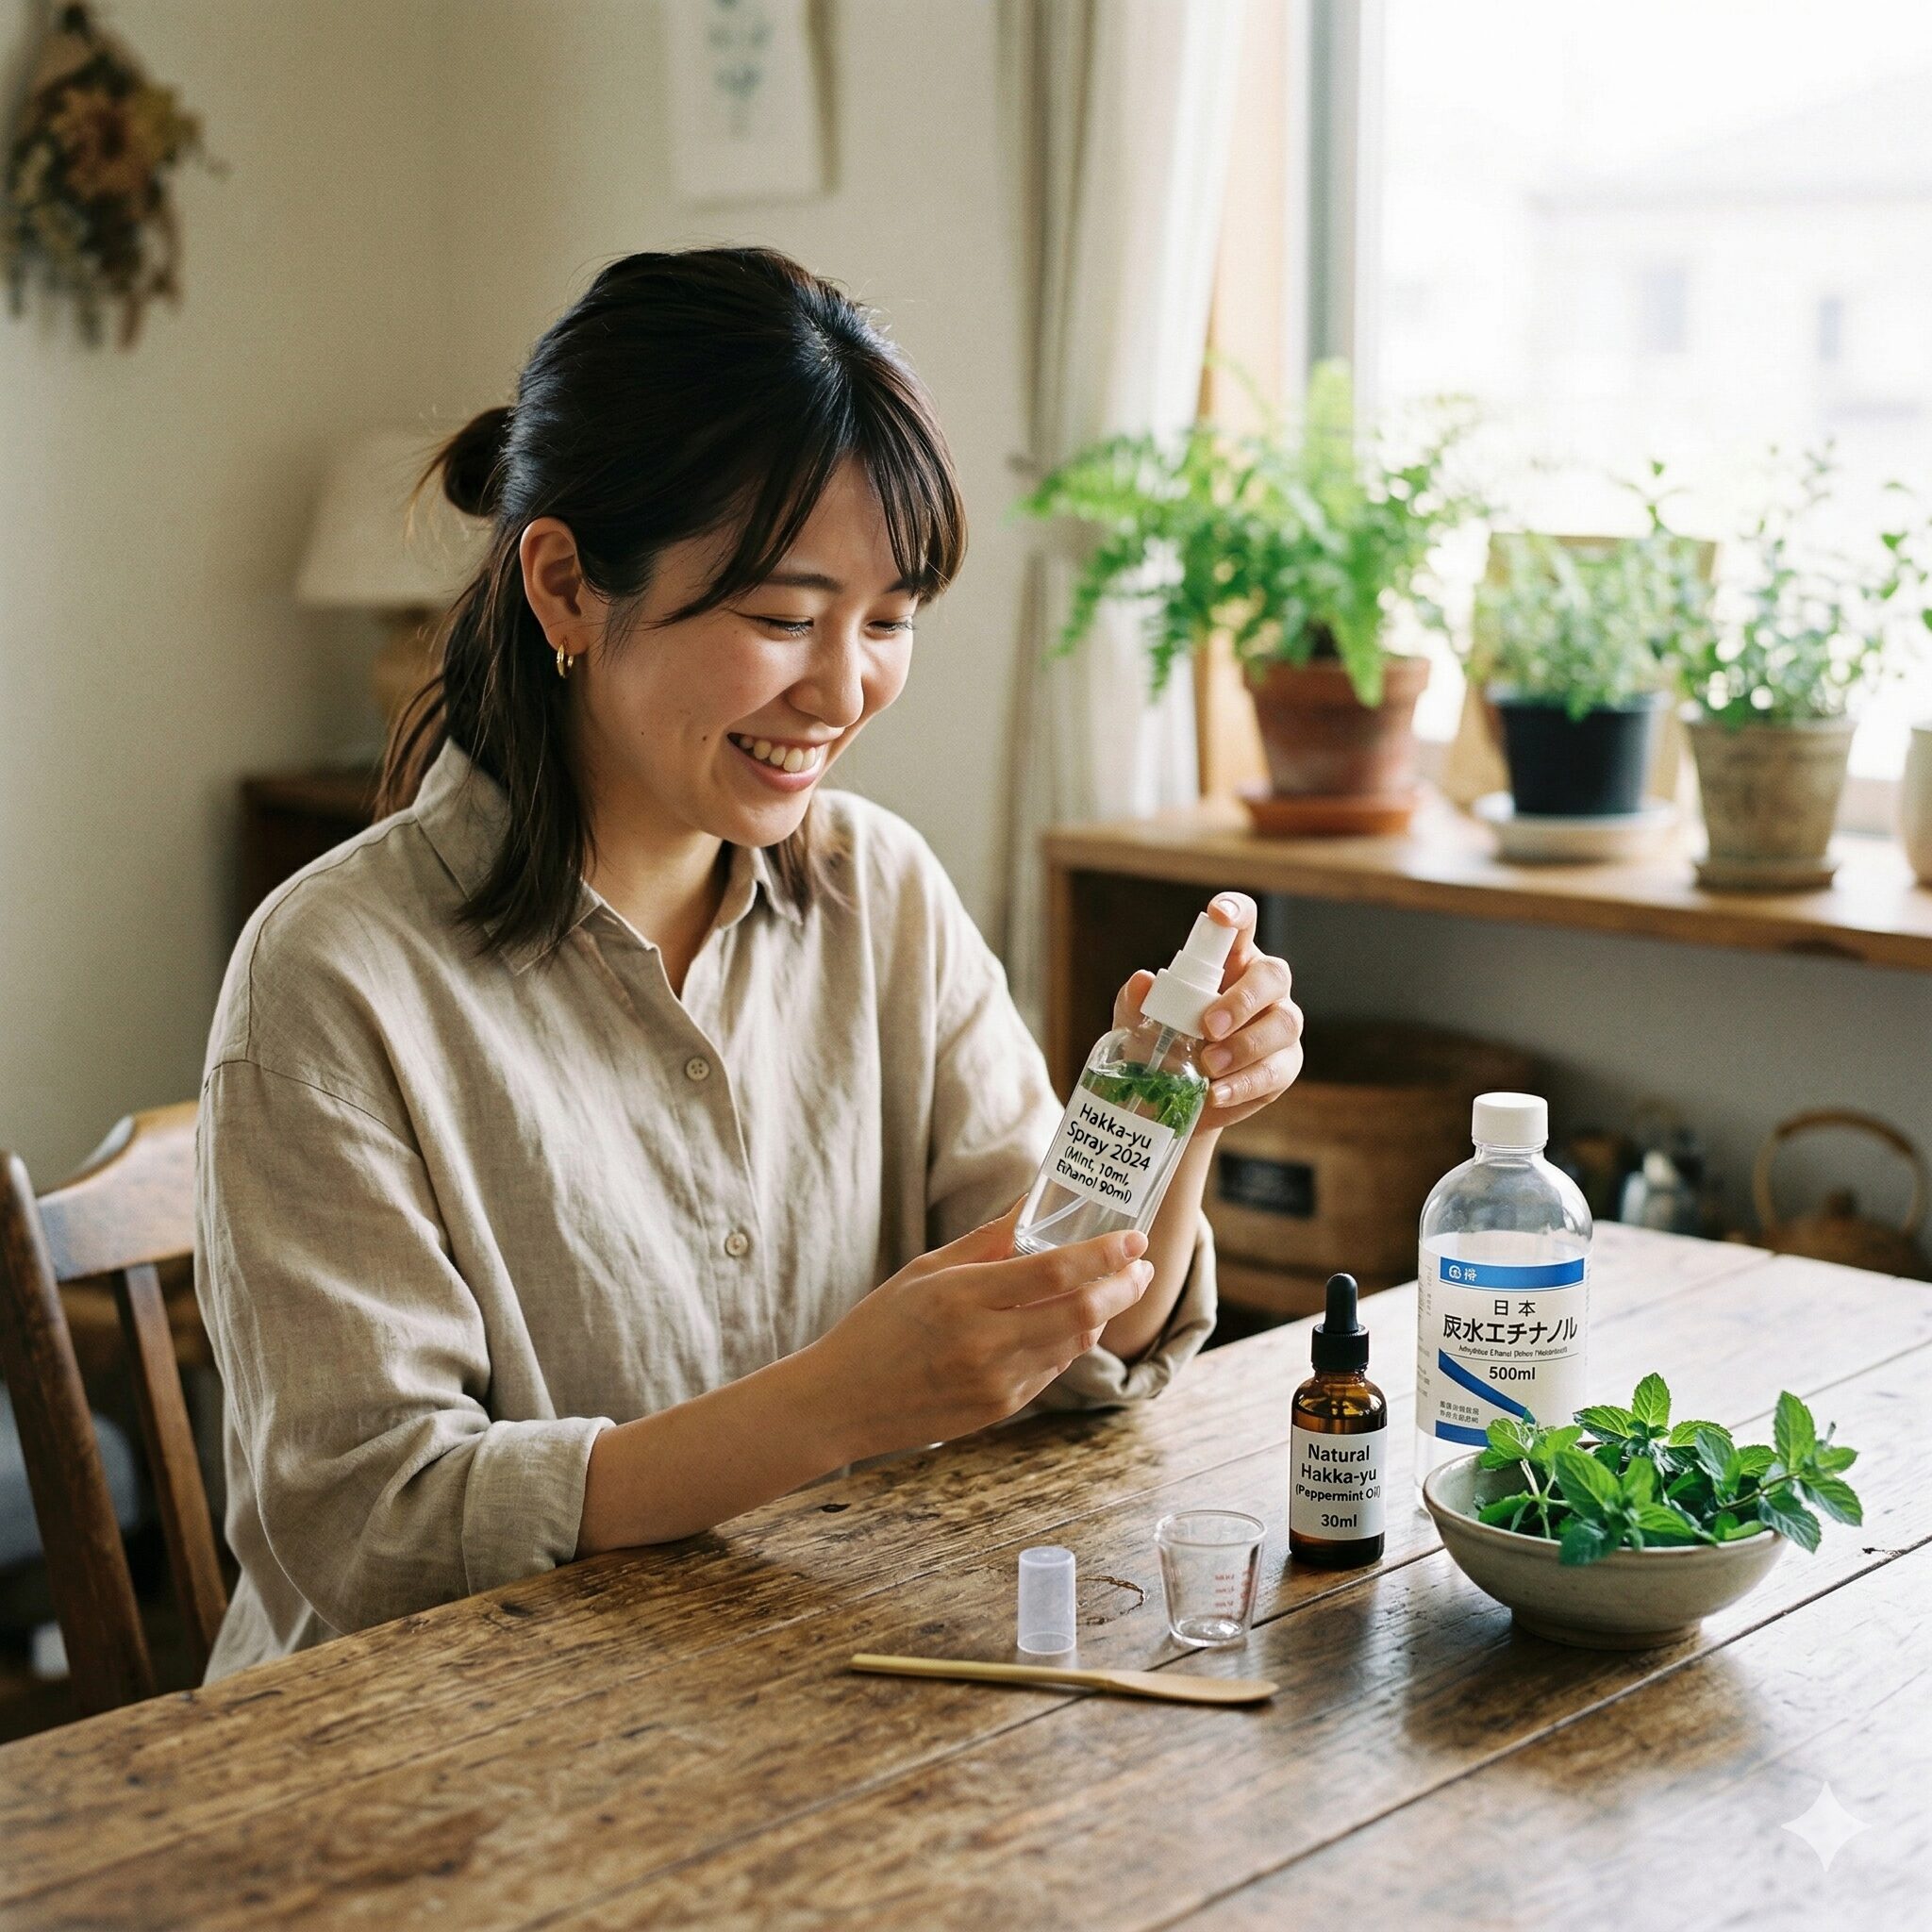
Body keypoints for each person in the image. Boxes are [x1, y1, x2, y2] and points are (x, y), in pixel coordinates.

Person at [194, 246, 1305, 1678]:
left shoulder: (880, 892)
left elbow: (1073, 1348)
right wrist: (831, 1408)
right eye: (783, 619)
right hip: (429, 1762)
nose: (843, 692)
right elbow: (368, 1526)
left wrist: (1176, 1126)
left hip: (788, 1682)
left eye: (889, 621)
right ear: (566, 586)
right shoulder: (334, 978)